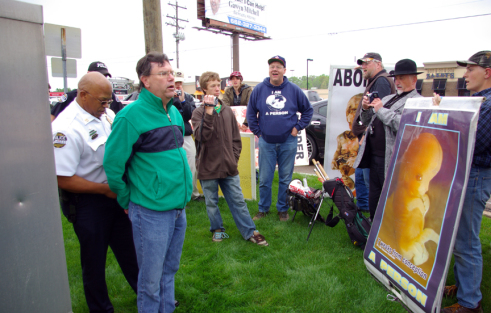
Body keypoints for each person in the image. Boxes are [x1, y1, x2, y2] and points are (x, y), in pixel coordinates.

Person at [103, 52, 192, 313]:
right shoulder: (130, 117)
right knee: (150, 281)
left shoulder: (174, 113)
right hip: (150, 211)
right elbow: (113, 165)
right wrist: (126, 200)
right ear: (145, 80)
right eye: (163, 74)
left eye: (172, 73)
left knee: (169, 271)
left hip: (178, 208)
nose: (171, 79)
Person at [52, 72, 138, 313]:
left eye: (108, 100)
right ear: (82, 95)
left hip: (114, 194)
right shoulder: (65, 128)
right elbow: (63, 178)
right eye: (102, 101)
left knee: (130, 250)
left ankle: (148, 295)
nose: (106, 106)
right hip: (88, 202)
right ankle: (101, 308)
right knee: (94, 260)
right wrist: (104, 190)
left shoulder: (105, 114)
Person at [191, 71, 268, 246]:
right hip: (207, 167)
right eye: (212, 85)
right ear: (204, 89)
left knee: (238, 201)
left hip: (228, 167)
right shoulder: (198, 113)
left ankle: (250, 231)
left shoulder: (226, 111)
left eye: (218, 85)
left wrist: (233, 158)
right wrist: (209, 113)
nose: (217, 88)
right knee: (212, 203)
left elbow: (236, 138)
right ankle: (218, 230)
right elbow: (202, 136)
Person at [441, 51, 491, 313]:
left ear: (487, 72)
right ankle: (463, 287)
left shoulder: (488, 104)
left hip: (476, 175)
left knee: (466, 241)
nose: (465, 74)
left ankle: (471, 303)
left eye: (471, 69)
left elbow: (473, 142)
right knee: (458, 237)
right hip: (466, 174)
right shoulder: (477, 100)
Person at [353, 58, 422, 220]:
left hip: (391, 160)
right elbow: (368, 119)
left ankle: (386, 234)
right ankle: (372, 231)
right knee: (374, 197)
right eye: (396, 78)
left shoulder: (417, 101)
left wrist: (381, 110)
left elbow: (405, 125)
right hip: (374, 157)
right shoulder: (389, 98)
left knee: (390, 199)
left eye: (402, 78)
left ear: (414, 79)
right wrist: (365, 107)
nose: (398, 81)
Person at [246, 55, 313, 222]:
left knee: (285, 178)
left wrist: (297, 127)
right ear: (269, 70)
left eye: (278, 66)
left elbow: (308, 111)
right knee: (264, 179)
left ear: (284, 70)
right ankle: (263, 209)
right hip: (266, 142)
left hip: (288, 142)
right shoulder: (260, 89)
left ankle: (283, 209)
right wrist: (258, 132)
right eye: (272, 66)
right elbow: (250, 113)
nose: (274, 69)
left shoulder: (294, 90)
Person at [352, 52, 396, 211]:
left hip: (373, 140)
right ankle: (362, 213)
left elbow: (379, 112)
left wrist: (365, 133)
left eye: (366, 63)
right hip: (369, 138)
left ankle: (371, 217)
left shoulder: (382, 82)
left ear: (378, 64)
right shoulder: (376, 81)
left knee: (369, 182)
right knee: (361, 179)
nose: (363, 66)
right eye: (361, 64)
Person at [51, 61, 124, 122]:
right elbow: (53, 116)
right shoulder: (72, 96)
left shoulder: (110, 96)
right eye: (102, 101)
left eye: (105, 76)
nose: (106, 105)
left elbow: (122, 114)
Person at [174, 69, 203, 202]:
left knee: (192, 165)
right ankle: (178, 194)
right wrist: (175, 100)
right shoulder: (165, 96)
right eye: (175, 83)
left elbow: (187, 116)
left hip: (185, 134)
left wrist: (183, 102)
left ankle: (193, 194)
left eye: (180, 83)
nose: (178, 86)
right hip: (171, 136)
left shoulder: (188, 97)